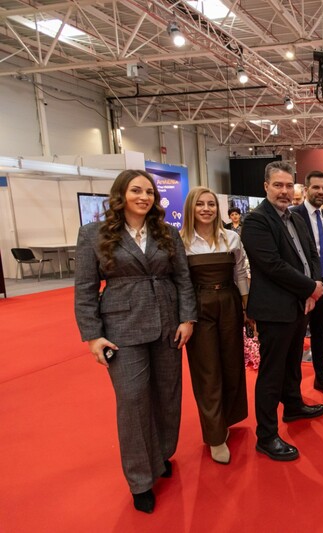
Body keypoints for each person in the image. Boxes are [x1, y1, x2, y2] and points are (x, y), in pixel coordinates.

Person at [74, 169, 196, 513]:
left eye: (149, 192)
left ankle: (161, 455)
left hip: (168, 325)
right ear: (120, 195)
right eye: (136, 191)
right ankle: (141, 479)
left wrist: (187, 318)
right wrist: (93, 336)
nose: (144, 197)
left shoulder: (167, 232)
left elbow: (183, 279)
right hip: (122, 329)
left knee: (167, 395)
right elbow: (85, 289)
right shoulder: (94, 234)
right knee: (132, 401)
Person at [242, 161, 323, 461]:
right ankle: (266, 436)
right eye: (278, 185)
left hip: (298, 305)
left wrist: (313, 286)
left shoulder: (296, 218)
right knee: (271, 374)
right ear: (266, 187)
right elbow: (272, 265)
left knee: (292, 364)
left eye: (289, 186)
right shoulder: (256, 221)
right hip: (274, 310)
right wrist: (310, 288)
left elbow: (312, 255)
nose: (284, 191)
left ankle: (292, 406)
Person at [181, 187, 249, 465]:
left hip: (230, 302)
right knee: (207, 370)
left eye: (211, 204)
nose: (206, 209)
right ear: (191, 208)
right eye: (200, 204)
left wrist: (246, 306)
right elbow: (180, 283)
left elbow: (240, 272)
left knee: (232, 365)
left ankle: (227, 419)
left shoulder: (231, 237)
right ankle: (215, 436)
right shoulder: (182, 242)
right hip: (199, 306)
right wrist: (185, 317)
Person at [291, 171, 323, 397]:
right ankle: (293, 391)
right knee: (296, 341)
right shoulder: (292, 215)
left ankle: (321, 379)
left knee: (320, 336)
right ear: (306, 190)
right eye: (316, 187)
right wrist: (304, 288)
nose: (320, 192)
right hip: (300, 291)